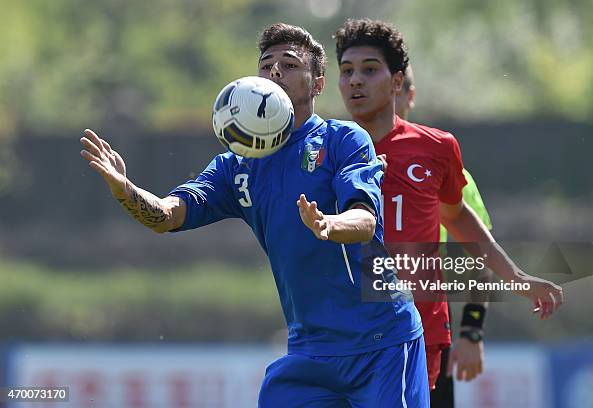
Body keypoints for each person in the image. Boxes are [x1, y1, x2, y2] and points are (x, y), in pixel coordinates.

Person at [80, 23, 429, 407]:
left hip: (381, 340)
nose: (275, 71)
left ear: (317, 84)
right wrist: (124, 189)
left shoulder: (343, 139)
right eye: (267, 64)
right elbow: (167, 216)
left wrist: (329, 225)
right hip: (309, 351)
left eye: (290, 64)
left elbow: (365, 222)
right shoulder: (236, 165)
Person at [334, 17, 563, 404]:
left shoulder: (438, 148)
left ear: (397, 83)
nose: (355, 80)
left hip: (417, 332)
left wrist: (515, 280)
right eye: (347, 71)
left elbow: (458, 218)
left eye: (369, 70)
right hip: (342, 332)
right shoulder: (323, 148)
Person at [396, 66, 495, 406]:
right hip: (365, 319)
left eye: (397, 92)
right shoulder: (350, 163)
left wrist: (472, 330)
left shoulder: (444, 172)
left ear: (409, 96)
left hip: (429, 320)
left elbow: (480, 258)